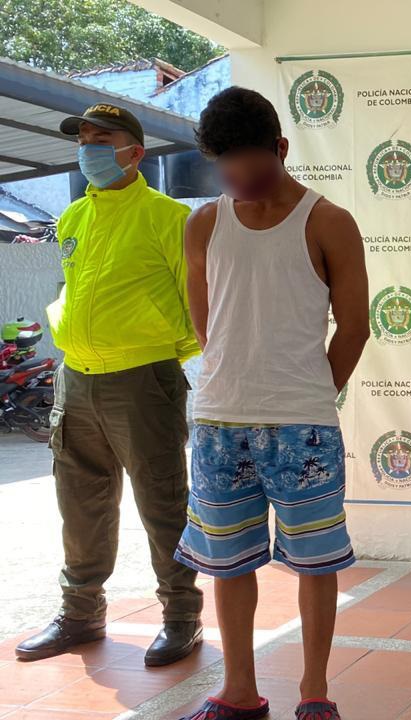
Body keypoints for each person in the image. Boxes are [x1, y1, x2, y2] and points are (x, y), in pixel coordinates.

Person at [175, 87, 369, 720]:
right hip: (218, 421)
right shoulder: (204, 224)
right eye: (223, 170)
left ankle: (314, 691)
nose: (236, 182)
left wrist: (310, 393)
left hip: (302, 427)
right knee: (228, 562)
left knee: (315, 561)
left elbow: (356, 326)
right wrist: (233, 380)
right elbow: (206, 323)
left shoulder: (329, 222)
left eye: (250, 169)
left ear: (281, 149)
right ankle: (239, 690)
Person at [16, 104, 204, 667]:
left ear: (134, 153)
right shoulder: (74, 217)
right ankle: (80, 614)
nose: (88, 149)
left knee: (162, 503)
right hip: (75, 377)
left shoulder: (170, 217)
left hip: (143, 380)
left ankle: (181, 617)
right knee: (80, 503)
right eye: (83, 140)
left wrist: (154, 352)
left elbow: (199, 306)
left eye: (101, 140)